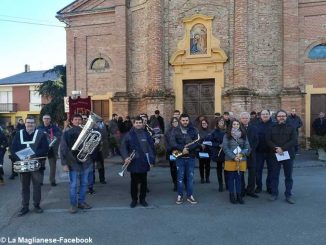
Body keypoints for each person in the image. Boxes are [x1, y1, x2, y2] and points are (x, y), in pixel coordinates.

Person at [11, 116, 49, 216]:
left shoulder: (41, 134)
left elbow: (45, 148)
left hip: (36, 164)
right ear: (25, 123)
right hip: (23, 165)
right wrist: (20, 157)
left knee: (37, 186)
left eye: (32, 123)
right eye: (28, 122)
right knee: (24, 186)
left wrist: (33, 155)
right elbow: (13, 148)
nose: (30, 124)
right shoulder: (18, 134)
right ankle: (25, 207)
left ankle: (36, 205)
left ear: (35, 124)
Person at [120, 116, 155, 208]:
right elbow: (123, 147)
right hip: (133, 161)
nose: (138, 124)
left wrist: (151, 160)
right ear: (133, 123)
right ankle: (134, 200)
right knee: (134, 182)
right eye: (137, 123)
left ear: (142, 123)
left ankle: (143, 199)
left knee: (144, 182)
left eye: (140, 122)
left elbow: (151, 148)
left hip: (144, 161)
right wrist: (126, 157)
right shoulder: (128, 135)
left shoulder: (146, 134)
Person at [60, 114, 93, 214]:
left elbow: (92, 146)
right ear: (72, 121)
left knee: (84, 184)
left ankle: (81, 202)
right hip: (72, 162)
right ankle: (73, 205)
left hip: (85, 162)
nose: (78, 121)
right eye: (76, 119)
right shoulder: (67, 133)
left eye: (80, 119)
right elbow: (63, 149)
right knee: (73, 185)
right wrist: (64, 164)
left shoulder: (88, 132)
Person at [266, 110, 297, 204]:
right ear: (276, 117)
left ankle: (288, 195)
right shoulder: (271, 127)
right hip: (275, 155)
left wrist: (282, 148)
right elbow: (268, 140)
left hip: (288, 154)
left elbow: (293, 140)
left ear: (286, 117)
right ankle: (274, 194)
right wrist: (276, 149)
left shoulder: (292, 127)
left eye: (283, 116)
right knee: (274, 176)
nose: (281, 117)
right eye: (279, 116)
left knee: (288, 176)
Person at [170, 113, 199, 205]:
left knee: (190, 178)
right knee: (180, 178)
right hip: (179, 157)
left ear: (189, 120)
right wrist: (182, 148)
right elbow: (172, 142)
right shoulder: (175, 130)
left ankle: (190, 195)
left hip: (190, 156)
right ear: (180, 121)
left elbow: (197, 142)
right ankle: (180, 195)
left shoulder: (194, 130)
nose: (185, 122)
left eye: (186, 120)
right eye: (183, 120)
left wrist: (188, 149)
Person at [222, 119, 250, 204]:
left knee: (239, 179)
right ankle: (231, 195)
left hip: (241, 159)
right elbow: (225, 148)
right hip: (230, 159)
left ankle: (239, 195)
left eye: (237, 124)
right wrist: (234, 157)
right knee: (231, 179)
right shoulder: (227, 135)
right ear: (231, 125)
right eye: (234, 124)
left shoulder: (244, 135)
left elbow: (247, 147)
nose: (236, 125)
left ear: (239, 125)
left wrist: (241, 155)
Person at [37, 114, 62, 186]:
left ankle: (52, 181)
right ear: (42, 119)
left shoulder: (54, 127)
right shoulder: (39, 127)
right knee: (41, 166)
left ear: (50, 120)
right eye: (45, 118)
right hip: (42, 149)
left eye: (48, 118)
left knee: (53, 166)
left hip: (52, 149)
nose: (46, 120)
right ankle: (40, 181)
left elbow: (59, 134)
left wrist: (54, 137)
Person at [240, 112, 259, 198]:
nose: (245, 119)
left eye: (246, 118)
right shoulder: (237, 128)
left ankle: (250, 190)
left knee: (252, 173)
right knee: (241, 173)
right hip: (240, 154)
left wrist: (250, 150)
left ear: (249, 119)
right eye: (243, 118)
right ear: (241, 119)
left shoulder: (254, 128)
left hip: (252, 154)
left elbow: (256, 141)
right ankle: (242, 190)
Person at [255, 110, 274, 194]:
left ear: (270, 115)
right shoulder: (256, 125)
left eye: (267, 114)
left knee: (271, 170)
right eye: (263, 114)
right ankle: (259, 186)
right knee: (258, 170)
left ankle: (269, 187)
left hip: (271, 152)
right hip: (259, 152)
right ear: (260, 115)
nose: (265, 115)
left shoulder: (274, 125)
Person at [209, 117, 227, 192]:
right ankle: (220, 185)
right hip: (218, 152)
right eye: (220, 121)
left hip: (226, 152)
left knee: (227, 169)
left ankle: (228, 184)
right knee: (219, 169)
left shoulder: (227, 131)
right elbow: (211, 142)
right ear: (217, 122)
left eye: (223, 121)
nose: (221, 122)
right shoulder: (214, 132)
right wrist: (218, 145)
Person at [165, 117, 179, 191]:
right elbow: (166, 142)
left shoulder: (181, 130)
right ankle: (175, 183)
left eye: (176, 121)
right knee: (173, 168)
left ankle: (181, 183)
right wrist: (169, 148)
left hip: (179, 151)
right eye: (173, 122)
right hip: (171, 151)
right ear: (171, 123)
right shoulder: (168, 131)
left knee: (179, 167)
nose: (175, 123)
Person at [198, 119, 212, 183]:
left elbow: (212, 141)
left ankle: (207, 177)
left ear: (207, 124)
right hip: (201, 150)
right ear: (201, 124)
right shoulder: (198, 132)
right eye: (203, 123)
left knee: (207, 165)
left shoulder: (210, 132)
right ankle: (202, 178)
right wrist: (200, 144)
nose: (204, 124)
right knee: (201, 165)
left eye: (205, 123)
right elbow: (196, 141)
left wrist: (207, 144)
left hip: (208, 150)